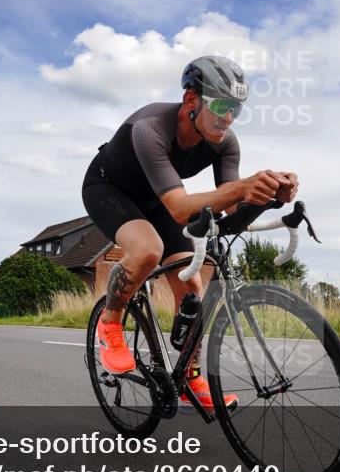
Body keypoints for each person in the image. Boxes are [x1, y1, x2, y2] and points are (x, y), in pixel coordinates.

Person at [82, 56, 299, 410]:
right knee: (148, 249)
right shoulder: (150, 128)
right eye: (220, 106)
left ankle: (190, 377)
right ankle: (111, 322)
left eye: (236, 109)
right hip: (109, 190)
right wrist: (244, 187)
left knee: (193, 287)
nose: (227, 118)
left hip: (159, 200)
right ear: (191, 101)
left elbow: (231, 211)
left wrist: (270, 197)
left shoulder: (226, 142)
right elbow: (182, 208)